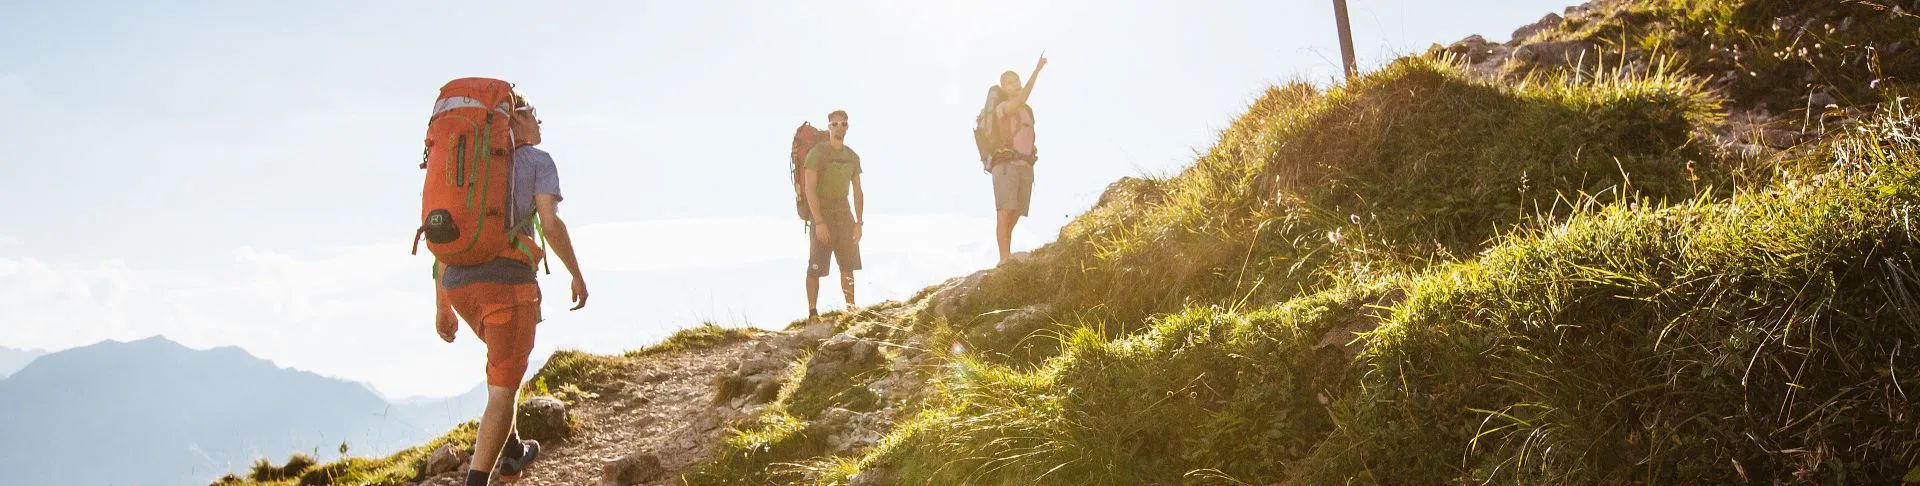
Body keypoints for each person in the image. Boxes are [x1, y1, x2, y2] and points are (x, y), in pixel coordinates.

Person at [432, 94, 588, 485]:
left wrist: (442, 306)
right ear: (515, 120)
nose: (540, 122)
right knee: (502, 388)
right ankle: (478, 480)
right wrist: (576, 273)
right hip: (507, 286)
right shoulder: (538, 162)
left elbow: (447, 235)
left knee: (502, 367)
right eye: (535, 114)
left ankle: (513, 451)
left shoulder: (466, 162)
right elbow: (550, 224)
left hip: (458, 287)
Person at [802, 109, 864, 320]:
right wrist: (819, 222)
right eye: (835, 124)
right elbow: (810, 188)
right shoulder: (817, 153)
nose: (840, 127)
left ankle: (851, 311)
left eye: (843, 124)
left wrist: (859, 223)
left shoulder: (852, 156)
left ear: (848, 127)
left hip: (844, 215)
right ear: (829, 127)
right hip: (823, 214)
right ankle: (812, 312)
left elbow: (857, 190)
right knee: (816, 266)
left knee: (848, 265)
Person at [990, 54, 1047, 264]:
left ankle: (1007, 254)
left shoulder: (1026, 111)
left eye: (1016, 81)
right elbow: (1022, 97)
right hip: (1006, 166)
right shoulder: (1003, 107)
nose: (1014, 85)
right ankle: (1004, 259)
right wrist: (1037, 71)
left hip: (1025, 166)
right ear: (1004, 88)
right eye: (1009, 82)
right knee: (1005, 212)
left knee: (1015, 212)